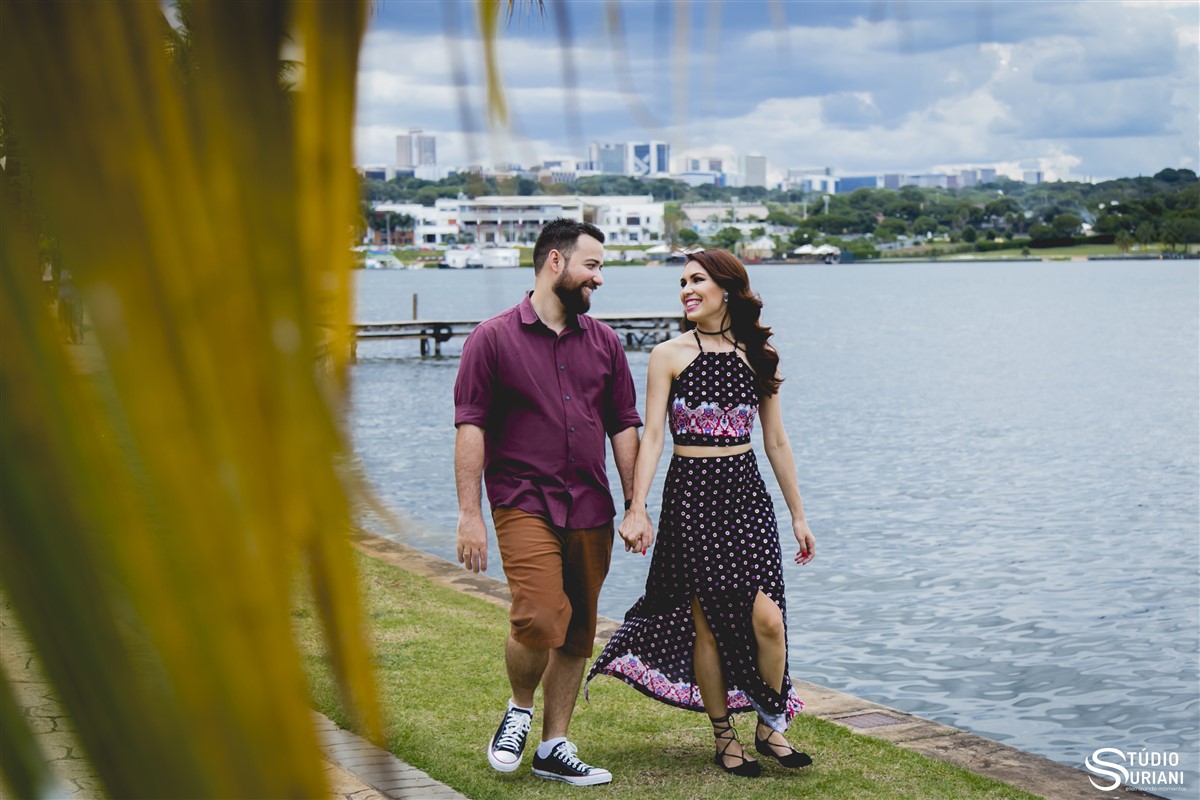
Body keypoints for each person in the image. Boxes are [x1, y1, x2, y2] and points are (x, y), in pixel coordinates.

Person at [587, 248, 816, 778]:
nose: (687, 290)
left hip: (747, 495)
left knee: (769, 620)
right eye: (682, 282)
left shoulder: (760, 356)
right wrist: (637, 507)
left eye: (697, 280)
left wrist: (798, 515)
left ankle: (769, 725)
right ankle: (723, 736)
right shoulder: (667, 355)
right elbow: (652, 438)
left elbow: (777, 441)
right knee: (708, 625)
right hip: (692, 497)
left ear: (727, 290)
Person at [453, 218, 641, 786]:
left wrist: (635, 504)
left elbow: (623, 426)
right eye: (592, 265)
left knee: (578, 631)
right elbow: (470, 426)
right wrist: (469, 514)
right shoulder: (491, 338)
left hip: (591, 507)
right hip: (522, 501)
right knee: (537, 616)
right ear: (555, 262)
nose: (599, 278)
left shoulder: (605, 343)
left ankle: (553, 746)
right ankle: (518, 709)